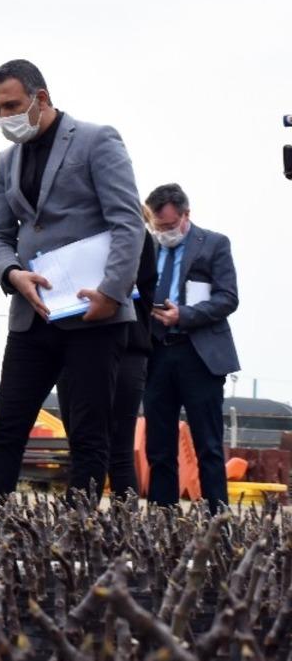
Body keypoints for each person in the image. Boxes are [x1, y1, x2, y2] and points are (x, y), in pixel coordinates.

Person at [0, 59, 144, 501]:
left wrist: (112, 292)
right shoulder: (6, 161)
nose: (3, 116)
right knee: (8, 425)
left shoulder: (96, 140)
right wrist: (13, 273)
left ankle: (81, 532)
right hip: (33, 314)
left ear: (42, 99)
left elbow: (128, 223)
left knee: (90, 434)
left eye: (11, 105)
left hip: (94, 315)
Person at [142, 183, 239, 511]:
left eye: (170, 226)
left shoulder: (214, 244)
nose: (165, 232)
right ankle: (161, 520)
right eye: (158, 227)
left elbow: (228, 297)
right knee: (159, 446)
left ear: (186, 215)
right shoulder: (148, 248)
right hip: (157, 353)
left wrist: (183, 315)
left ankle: (218, 520)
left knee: (208, 445)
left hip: (199, 355)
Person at [57, 207, 157, 497]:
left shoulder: (138, 239)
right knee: (80, 443)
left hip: (128, 347)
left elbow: (143, 288)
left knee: (119, 449)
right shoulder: (77, 233)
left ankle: (125, 532)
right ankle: (81, 526)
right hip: (77, 345)